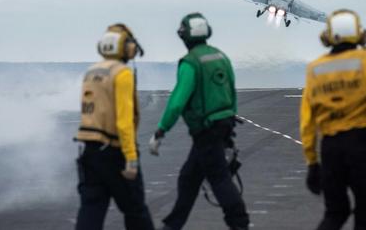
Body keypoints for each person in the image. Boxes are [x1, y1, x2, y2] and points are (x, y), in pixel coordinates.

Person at [148, 13, 249, 230]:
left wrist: (161, 130)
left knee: (219, 179)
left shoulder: (190, 62)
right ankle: (172, 225)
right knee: (188, 178)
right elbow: (232, 92)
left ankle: (240, 223)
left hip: (206, 131)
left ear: (185, 36)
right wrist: (228, 123)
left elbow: (177, 102)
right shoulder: (221, 57)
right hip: (222, 126)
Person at [300, 9, 366, 230]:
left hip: (330, 148)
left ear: (328, 36)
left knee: (335, 213)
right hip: (360, 144)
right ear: (359, 34)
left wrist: (312, 163)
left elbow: (307, 122)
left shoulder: (314, 69)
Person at [74, 24, 154, 230]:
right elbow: (124, 121)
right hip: (114, 152)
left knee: (91, 210)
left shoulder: (91, 72)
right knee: (136, 211)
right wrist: (131, 158)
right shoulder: (122, 73)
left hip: (89, 151)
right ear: (123, 47)